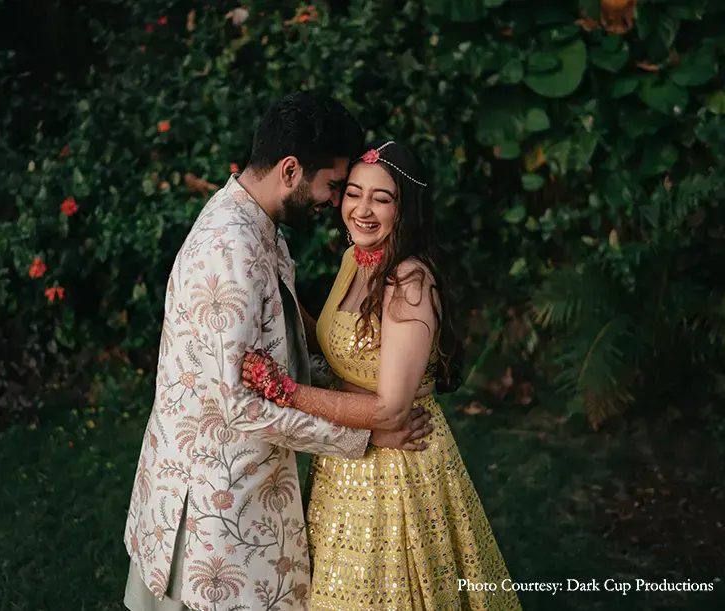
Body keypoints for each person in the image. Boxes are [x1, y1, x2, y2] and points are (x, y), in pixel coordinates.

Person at [123, 93, 436, 611]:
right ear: (291, 170)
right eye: (334, 185)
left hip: (237, 492)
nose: (336, 202)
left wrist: (353, 386)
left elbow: (279, 347)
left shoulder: (255, 222)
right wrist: (364, 434)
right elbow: (243, 406)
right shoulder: (232, 250)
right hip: (214, 514)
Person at [241, 140, 523, 610]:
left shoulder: (409, 284)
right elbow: (334, 337)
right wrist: (270, 295)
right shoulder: (354, 259)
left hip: (398, 462)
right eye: (353, 193)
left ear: (406, 209)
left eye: (381, 199)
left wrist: (286, 391)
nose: (362, 210)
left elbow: (391, 410)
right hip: (346, 455)